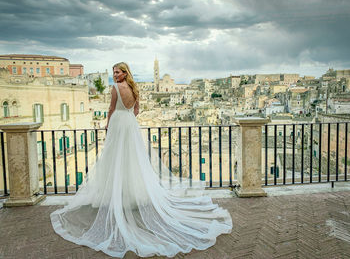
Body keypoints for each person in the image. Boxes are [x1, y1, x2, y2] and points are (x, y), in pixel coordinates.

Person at [50, 62, 232, 258]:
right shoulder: (135, 89)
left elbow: (111, 109)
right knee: (132, 159)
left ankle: (117, 195)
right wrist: (127, 116)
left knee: (115, 159)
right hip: (130, 124)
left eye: (117, 72)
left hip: (119, 123)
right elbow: (136, 111)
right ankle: (131, 194)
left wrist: (108, 125)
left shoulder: (116, 88)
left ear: (124, 73)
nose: (115, 75)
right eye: (114, 72)